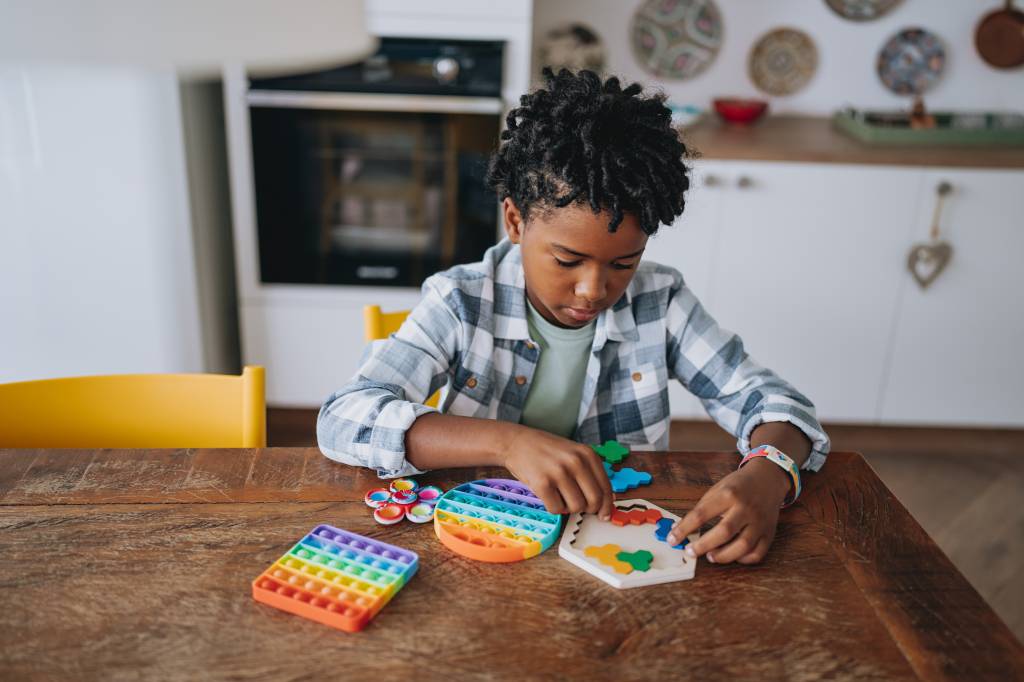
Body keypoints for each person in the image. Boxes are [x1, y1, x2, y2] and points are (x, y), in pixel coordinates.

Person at [318, 69, 830, 565]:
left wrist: (769, 472)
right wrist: (508, 442)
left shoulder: (662, 301)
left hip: (609, 538)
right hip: (482, 539)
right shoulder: (460, 302)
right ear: (515, 220)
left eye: (623, 263)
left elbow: (777, 404)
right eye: (567, 261)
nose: (593, 289)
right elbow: (343, 419)